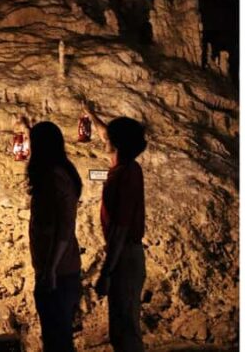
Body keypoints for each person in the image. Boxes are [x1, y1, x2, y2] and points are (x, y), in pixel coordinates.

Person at [83, 102, 148, 352]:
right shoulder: (128, 166)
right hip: (127, 254)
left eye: (108, 137)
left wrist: (106, 271)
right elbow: (105, 133)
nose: (103, 138)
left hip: (125, 255)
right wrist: (92, 115)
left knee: (125, 330)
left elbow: (119, 229)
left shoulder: (123, 176)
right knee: (120, 326)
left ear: (117, 143)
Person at [27, 122, 83, 352]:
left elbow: (64, 227)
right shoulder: (60, 173)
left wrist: (50, 268)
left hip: (59, 272)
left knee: (57, 338)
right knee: (57, 335)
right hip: (58, 269)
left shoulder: (54, 178)